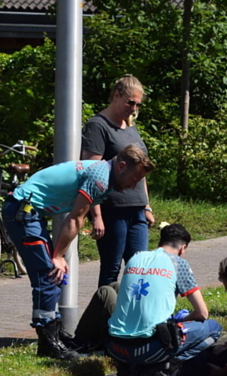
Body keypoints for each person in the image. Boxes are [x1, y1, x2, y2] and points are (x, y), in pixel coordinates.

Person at [2, 145, 154, 361]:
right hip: (22, 212)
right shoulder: (100, 177)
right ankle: (48, 341)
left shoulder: (106, 175)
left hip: (28, 212)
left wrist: (58, 255)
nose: (135, 185)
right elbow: (75, 218)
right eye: (135, 177)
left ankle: (56, 333)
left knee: (54, 276)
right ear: (121, 166)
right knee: (48, 275)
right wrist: (58, 256)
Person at [106, 224, 222, 376]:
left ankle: (129, 369)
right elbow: (202, 313)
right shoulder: (178, 263)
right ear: (183, 248)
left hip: (115, 344)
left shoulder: (135, 257)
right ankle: (159, 368)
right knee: (213, 328)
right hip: (152, 345)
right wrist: (180, 320)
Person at [80, 75, 155, 287]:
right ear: (116, 96)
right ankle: (104, 316)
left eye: (138, 104)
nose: (133, 108)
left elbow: (141, 170)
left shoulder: (130, 127)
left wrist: (147, 206)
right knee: (111, 269)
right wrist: (96, 215)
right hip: (112, 209)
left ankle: (132, 317)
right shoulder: (97, 126)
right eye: (130, 102)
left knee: (139, 268)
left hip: (137, 209)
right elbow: (91, 174)